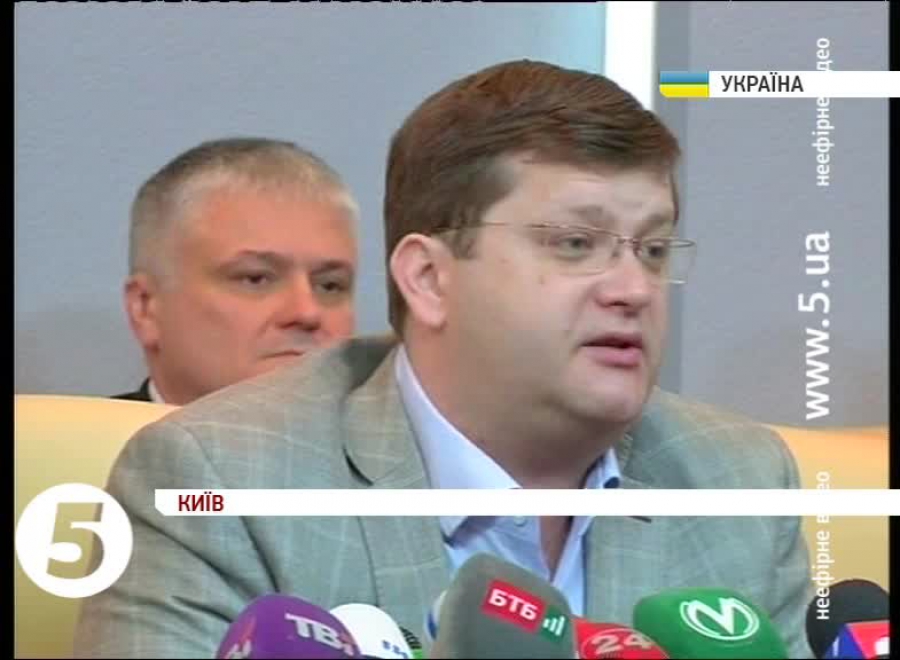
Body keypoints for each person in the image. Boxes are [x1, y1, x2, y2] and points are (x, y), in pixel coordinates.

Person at [75, 61, 812, 658]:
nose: (632, 289)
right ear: (429, 279)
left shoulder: (739, 484)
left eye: (652, 250)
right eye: (574, 244)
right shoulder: (222, 483)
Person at [114, 137, 358, 404]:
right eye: (256, 279)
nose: (307, 313)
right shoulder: (87, 432)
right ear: (146, 308)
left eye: (330, 286)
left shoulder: (387, 432)